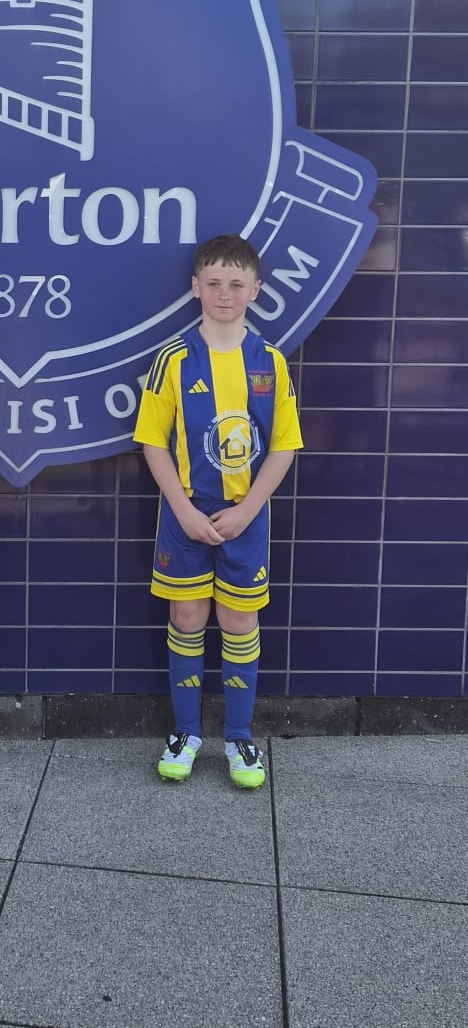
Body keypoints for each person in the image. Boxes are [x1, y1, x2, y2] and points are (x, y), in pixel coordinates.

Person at [133, 235, 302, 790]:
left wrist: (250, 508)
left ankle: (238, 736)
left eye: (235, 285)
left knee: (239, 620)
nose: (224, 294)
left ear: (255, 290)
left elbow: (283, 445)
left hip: (245, 520)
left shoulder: (270, 363)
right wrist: (181, 509)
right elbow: (153, 442)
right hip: (185, 518)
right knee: (187, 618)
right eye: (213, 284)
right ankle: (185, 733)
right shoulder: (173, 359)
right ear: (195, 288)